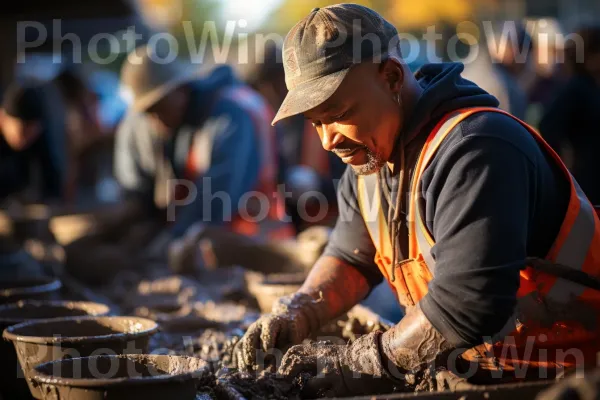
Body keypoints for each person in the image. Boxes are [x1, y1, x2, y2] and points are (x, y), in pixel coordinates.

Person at [232, 5, 600, 396]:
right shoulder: (372, 159)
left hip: (569, 375)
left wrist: (357, 361)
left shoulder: (476, 148)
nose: (327, 140)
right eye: (316, 122)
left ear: (391, 76)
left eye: (338, 113)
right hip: (488, 375)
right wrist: (299, 311)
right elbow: (350, 258)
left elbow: (465, 305)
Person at [113, 45, 293, 246]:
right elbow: (137, 196)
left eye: (160, 108)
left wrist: (166, 245)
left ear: (181, 89)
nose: (155, 120)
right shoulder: (152, 123)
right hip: (202, 248)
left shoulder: (233, 115)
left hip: (258, 246)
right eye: (149, 112)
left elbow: (215, 201)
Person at [243, 42, 346, 232]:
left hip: (340, 226)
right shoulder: (273, 127)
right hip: (299, 230)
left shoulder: (324, 119)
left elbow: (360, 179)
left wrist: (319, 185)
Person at [539, 25, 600, 206]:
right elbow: (548, 127)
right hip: (589, 183)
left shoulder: (590, 87)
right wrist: (564, 166)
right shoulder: (578, 88)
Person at [0, 81, 67, 204]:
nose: (27, 139)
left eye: (32, 132)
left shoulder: (37, 137)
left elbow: (53, 184)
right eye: (22, 131)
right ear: (3, 118)